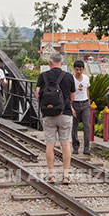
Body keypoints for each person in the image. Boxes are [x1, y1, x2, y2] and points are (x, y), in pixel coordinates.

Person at [36, 53, 76, 184]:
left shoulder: (43, 76)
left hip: (48, 114)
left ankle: (52, 175)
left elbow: (37, 96)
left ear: (50, 63)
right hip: (65, 114)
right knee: (65, 144)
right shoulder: (69, 77)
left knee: (50, 144)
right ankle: (66, 175)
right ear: (62, 63)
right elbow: (72, 98)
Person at [71, 60, 91, 155]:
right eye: (77, 69)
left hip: (85, 104)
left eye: (80, 69)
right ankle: (75, 146)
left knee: (87, 126)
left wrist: (89, 101)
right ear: (74, 69)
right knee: (74, 127)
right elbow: (69, 93)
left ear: (83, 69)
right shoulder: (71, 79)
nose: (79, 71)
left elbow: (87, 90)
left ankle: (86, 148)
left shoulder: (86, 78)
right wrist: (71, 107)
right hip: (75, 103)